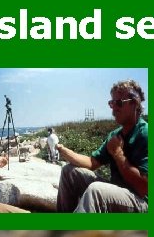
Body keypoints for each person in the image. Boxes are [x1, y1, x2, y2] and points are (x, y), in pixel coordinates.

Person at [56, 80, 148, 213]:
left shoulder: (145, 134)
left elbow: (143, 187)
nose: (114, 108)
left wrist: (118, 154)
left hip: (141, 201)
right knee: (69, 171)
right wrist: (65, 151)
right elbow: (92, 163)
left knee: (96, 190)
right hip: (116, 191)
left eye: (119, 103)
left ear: (135, 103)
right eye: (112, 103)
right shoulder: (115, 136)